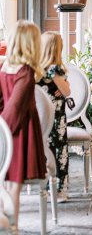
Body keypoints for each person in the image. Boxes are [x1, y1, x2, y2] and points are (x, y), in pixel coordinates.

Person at [0, 20, 46, 230]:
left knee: (6, 184)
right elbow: (15, 109)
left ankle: (9, 226)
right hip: (18, 133)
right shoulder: (26, 72)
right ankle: (13, 228)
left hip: (4, 130)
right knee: (12, 187)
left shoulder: (4, 67)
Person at [38, 31, 70, 202]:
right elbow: (67, 91)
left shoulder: (36, 69)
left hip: (40, 120)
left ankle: (43, 186)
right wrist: (64, 84)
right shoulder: (53, 70)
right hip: (55, 119)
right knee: (59, 153)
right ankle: (59, 190)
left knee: (45, 152)